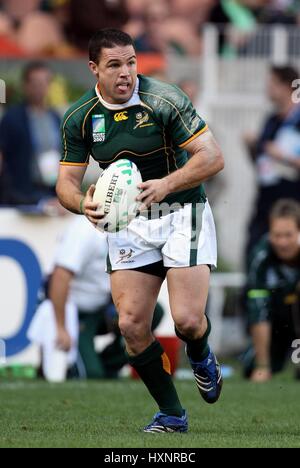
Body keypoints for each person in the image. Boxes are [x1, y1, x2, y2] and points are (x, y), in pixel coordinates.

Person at [56, 28, 224, 433]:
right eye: (115, 65)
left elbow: (213, 157)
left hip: (181, 209)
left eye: (131, 62)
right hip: (130, 222)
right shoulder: (80, 118)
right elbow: (65, 184)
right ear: (94, 68)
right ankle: (171, 414)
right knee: (131, 325)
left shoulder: (164, 99)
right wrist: (85, 205)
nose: (126, 72)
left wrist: (167, 184)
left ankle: (201, 354)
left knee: (186, 320)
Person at [47, 215, 164, 379]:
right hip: (75, 313)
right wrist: (60, 327)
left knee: (151, 311)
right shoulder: (85, 230)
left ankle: (110, 362)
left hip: (103, 307)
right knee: (92, 375)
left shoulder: (127, 225)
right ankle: (81, 367)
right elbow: (60, 276)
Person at [245, 65, 300, 263]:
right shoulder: (271, 120)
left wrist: (283, 156)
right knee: (255, 253)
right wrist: (252, 147)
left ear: (287, 87)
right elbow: (262, 161)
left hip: (293, 201)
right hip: (265, 201)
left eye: (272, 84)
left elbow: (280, 156)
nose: (268, 89)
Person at [244, 199, 300, 382]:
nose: (282, 242)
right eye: (277, 235)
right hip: (276, 322)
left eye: (288, 235)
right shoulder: (260, 256)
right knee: (250, 367)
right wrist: (262, 366)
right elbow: (257, 307)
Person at [0, 61, 63, 212]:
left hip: (50, 191)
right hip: (21, 195)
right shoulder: (13, 117)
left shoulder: (54, 117)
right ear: (25, 85)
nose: (40, 88)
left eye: (44, 82)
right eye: (35, 83)